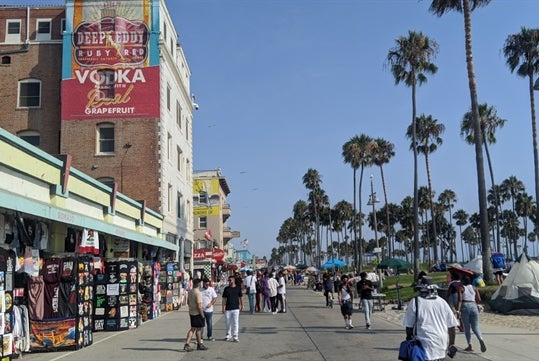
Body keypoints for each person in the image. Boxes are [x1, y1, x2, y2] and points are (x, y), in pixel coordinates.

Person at [403, 277, 458, 361]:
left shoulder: (415, 302)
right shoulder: (442, 302)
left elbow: (409, 326)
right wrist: (451, 344)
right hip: (441, 344)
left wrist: (409, 339)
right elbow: (452, 326)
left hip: (423, 345)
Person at [457, 276, 487, 353]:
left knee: (467, 328)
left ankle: (470, 345)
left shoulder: (461, 288)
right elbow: (479, 299)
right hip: (473, 306)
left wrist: (458, 310)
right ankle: (480, 338)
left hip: (465, 306)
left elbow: (460, 300)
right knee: (475, 326)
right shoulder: (474, 288)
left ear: (463, 281)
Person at [183, 278, 208, 352]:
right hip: (197, 313)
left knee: (193, 328)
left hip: (191, 312)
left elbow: (188, 302)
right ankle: (198, 344)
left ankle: (191, 344)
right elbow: (199, 306)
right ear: (199, 284)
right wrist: (202, 315)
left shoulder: (190, 292)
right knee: (198, 329)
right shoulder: (198, 293)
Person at [222, 275, 243, 342]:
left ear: (234, 280)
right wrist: (223, 307)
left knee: (235, 322)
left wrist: (242, 305)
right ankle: (228, 334)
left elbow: (241, 297)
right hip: (228, 308)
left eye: (230, 280)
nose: (229, 281)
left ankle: (235, 336)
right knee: (228, 322)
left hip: (236, 308)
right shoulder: (226, 289)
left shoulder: (238, 288)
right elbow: (224, 299)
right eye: (229, 280)